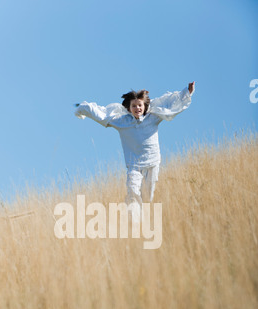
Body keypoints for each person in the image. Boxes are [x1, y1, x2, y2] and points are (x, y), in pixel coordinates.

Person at [75, 81, 195, 222]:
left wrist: (187, 92)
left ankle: (144, 218)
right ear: (129, 108)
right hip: (134, 165)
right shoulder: (122, 121)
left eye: (139, 105)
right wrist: (83, 108)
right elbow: (101, 114)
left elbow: (169, 103)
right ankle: (134, 221)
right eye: (134, 106)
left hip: (152, 163)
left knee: (147, 197)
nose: (137, 108)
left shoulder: (153, 117)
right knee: (132, 191)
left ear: (144, 106)